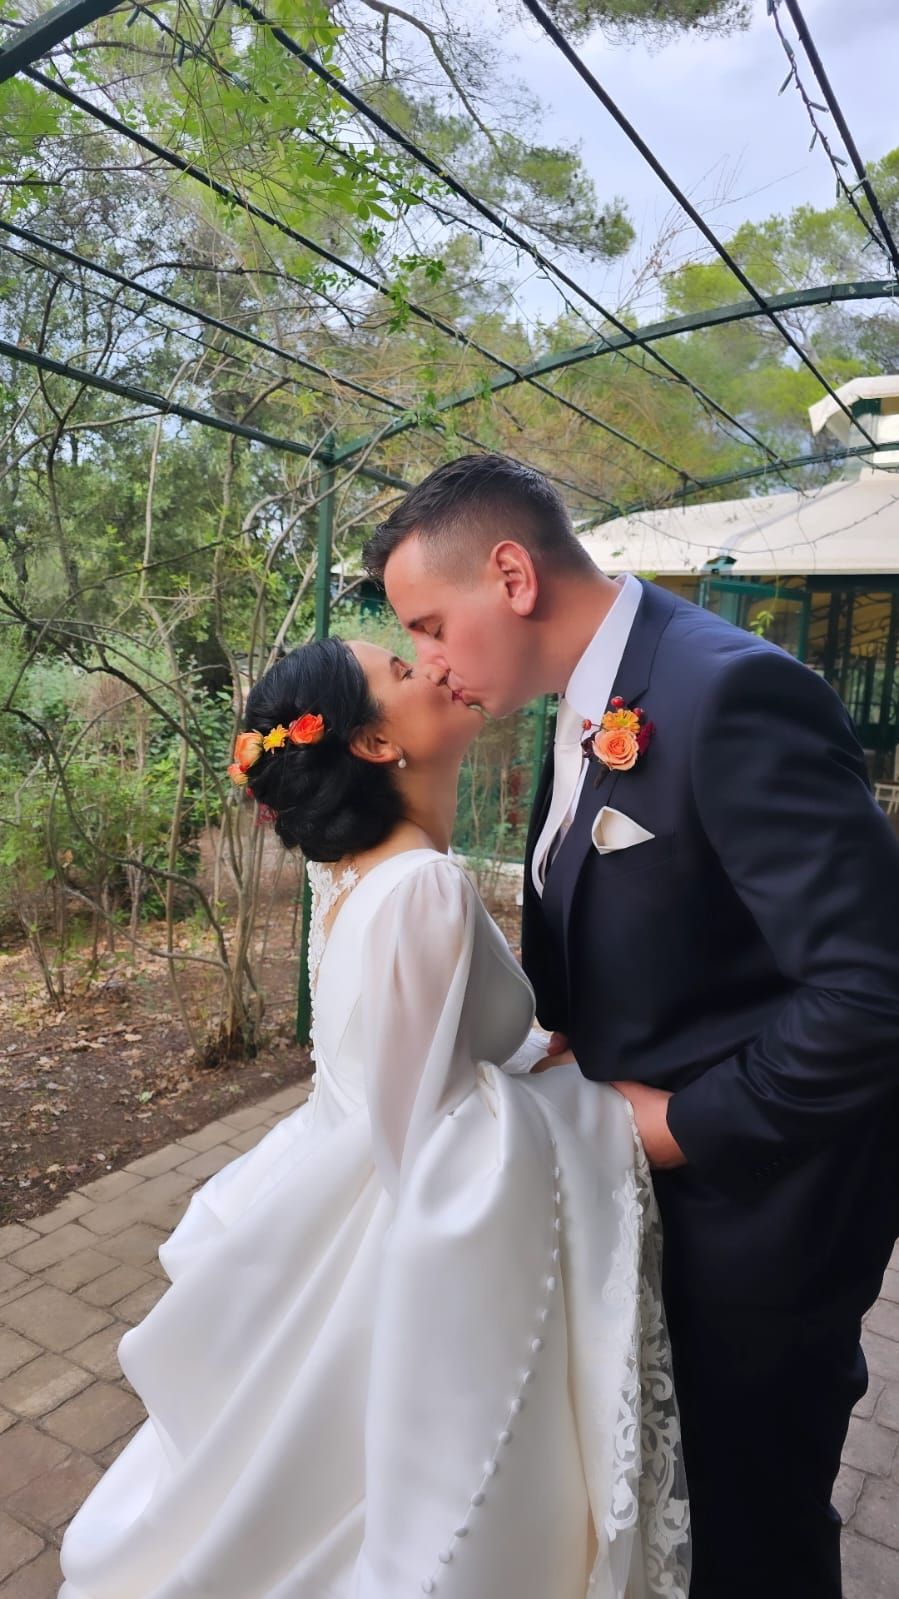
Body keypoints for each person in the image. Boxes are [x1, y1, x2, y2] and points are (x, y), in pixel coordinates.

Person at [364, 450, 899, 1599]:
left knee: (754, 1528)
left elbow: (868, 995)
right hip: (647, 1213)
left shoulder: (729, 694)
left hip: (764, 1225)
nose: (427, 661)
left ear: (509, 574)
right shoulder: (580, 707)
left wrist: (681, 1126)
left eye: (428, 622)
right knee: (680, 1512)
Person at [57, 635, 690, 1599]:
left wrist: (518, 1051)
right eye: (401, 668)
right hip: (380, 1220)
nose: (435, 666)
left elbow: (394, 1049)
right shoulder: (424, 885)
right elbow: (436, 1139)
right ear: (369, 743)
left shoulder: (351, 872)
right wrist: (604, 1116)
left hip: (335, 1174)